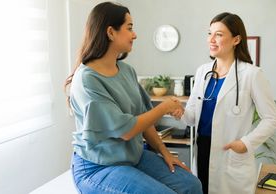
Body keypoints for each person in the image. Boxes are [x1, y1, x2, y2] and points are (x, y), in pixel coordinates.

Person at [64, 2, 202, 194]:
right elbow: (126, 130)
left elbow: (144, 117)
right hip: (98, 167)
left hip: (133, 157)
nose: (135, 34)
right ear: (111, 32)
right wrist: (164, 107)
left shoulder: (127, 71)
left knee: (192, 185)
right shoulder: (87, 79)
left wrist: (165, 152)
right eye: (129, 28)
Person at [180, 12, 276, 194]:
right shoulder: (203, 72)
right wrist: (178, 112)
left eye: (219, 34)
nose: (211, 39)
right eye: (209, 33)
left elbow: (271, 119)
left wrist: (246, 143)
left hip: (230, 152)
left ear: (236, 39)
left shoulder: (252, 74)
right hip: (202, 150)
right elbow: (192, 118)